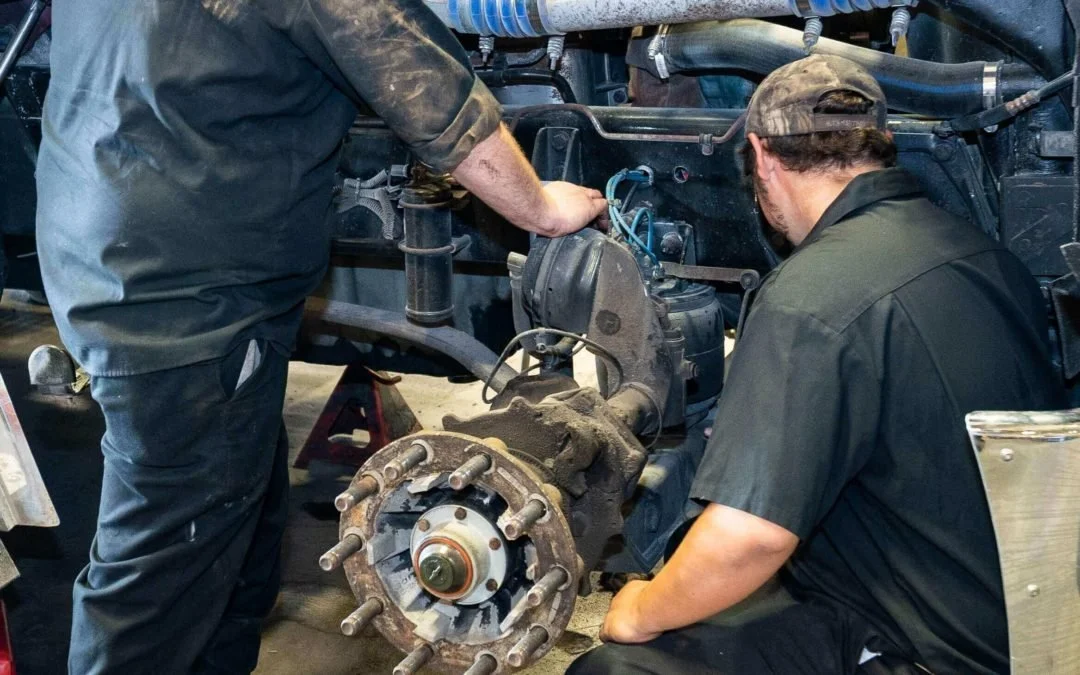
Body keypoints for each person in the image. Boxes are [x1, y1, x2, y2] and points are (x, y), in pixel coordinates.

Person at [35, 2, 606, 673]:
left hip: (105, 244)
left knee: (235, 527)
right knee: (162, 572)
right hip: (183, 296)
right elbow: (430, 95)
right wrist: (538, 205)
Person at [570, 54, 1066, 675]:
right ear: (883, 143)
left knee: (614, 669)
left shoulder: (808, 298)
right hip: (1012, 619)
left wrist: (639, 609)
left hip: (923, 651)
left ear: (761, 154)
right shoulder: (985, 255)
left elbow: (750, 538)